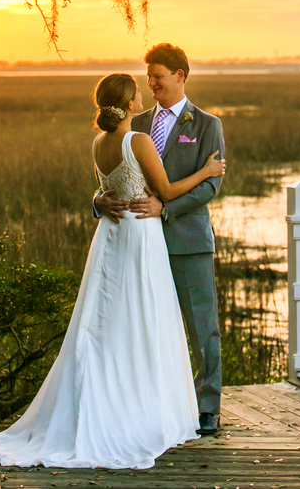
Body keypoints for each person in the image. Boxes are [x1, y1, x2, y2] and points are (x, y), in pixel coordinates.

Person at [0, 72, 225, 470]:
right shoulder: (138, 139)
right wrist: (207, 172)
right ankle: (139, 409)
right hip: (139, 238)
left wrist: (101, 199)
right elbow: (166, 191)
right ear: (129, 102)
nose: (144, 90)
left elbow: (107, 186)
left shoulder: (99, 141)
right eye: (139, 88)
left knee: (109, 322)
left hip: (112, 239)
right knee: (144, 318)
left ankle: (120, 400)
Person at [94, 44, 225, 434]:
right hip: (139, 244)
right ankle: (155, 404)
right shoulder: (134, 124)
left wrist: (166, 210)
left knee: (203, 328)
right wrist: (99, 200)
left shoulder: (206, 124)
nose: (151, 84)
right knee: (145, 325)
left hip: (187, 240)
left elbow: (211, 186)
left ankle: (207, 408)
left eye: (158, 77)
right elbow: (115, 173)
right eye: (148, 77)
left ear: (180, 76)